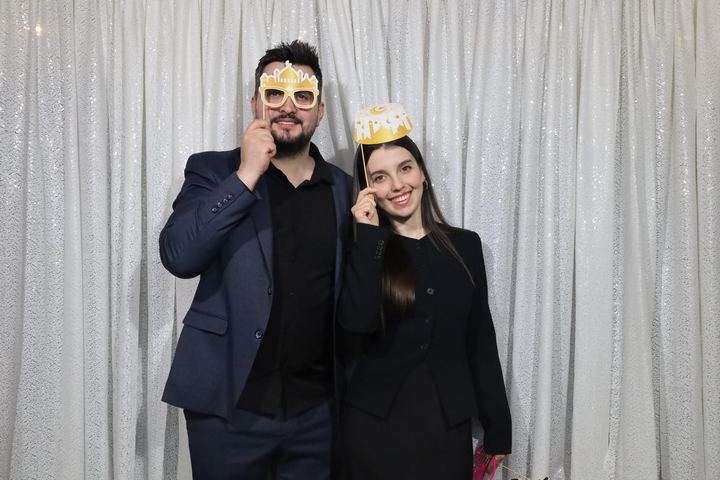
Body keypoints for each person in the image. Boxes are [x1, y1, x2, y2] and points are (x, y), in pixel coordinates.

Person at [159, 40, 353, 479]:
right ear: (255, 103)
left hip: (317, 414)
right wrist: (245, 174)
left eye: (303, 96)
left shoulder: (344, 190)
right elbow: (178, 256)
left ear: (320, 111)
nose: (288, 106)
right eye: (275, 93)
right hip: (227, 408)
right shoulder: (213, 170)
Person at [339, 104, 512, 479]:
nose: (397, 185)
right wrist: (368, 236)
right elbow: (356, 323)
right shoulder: (365, 249)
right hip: (373, 432)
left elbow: (480, 339)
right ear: (368, 190)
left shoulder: (466, 246)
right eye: (380, 177)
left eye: (405, 168)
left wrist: (498, 426)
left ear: (423, 173)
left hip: (446, 428)